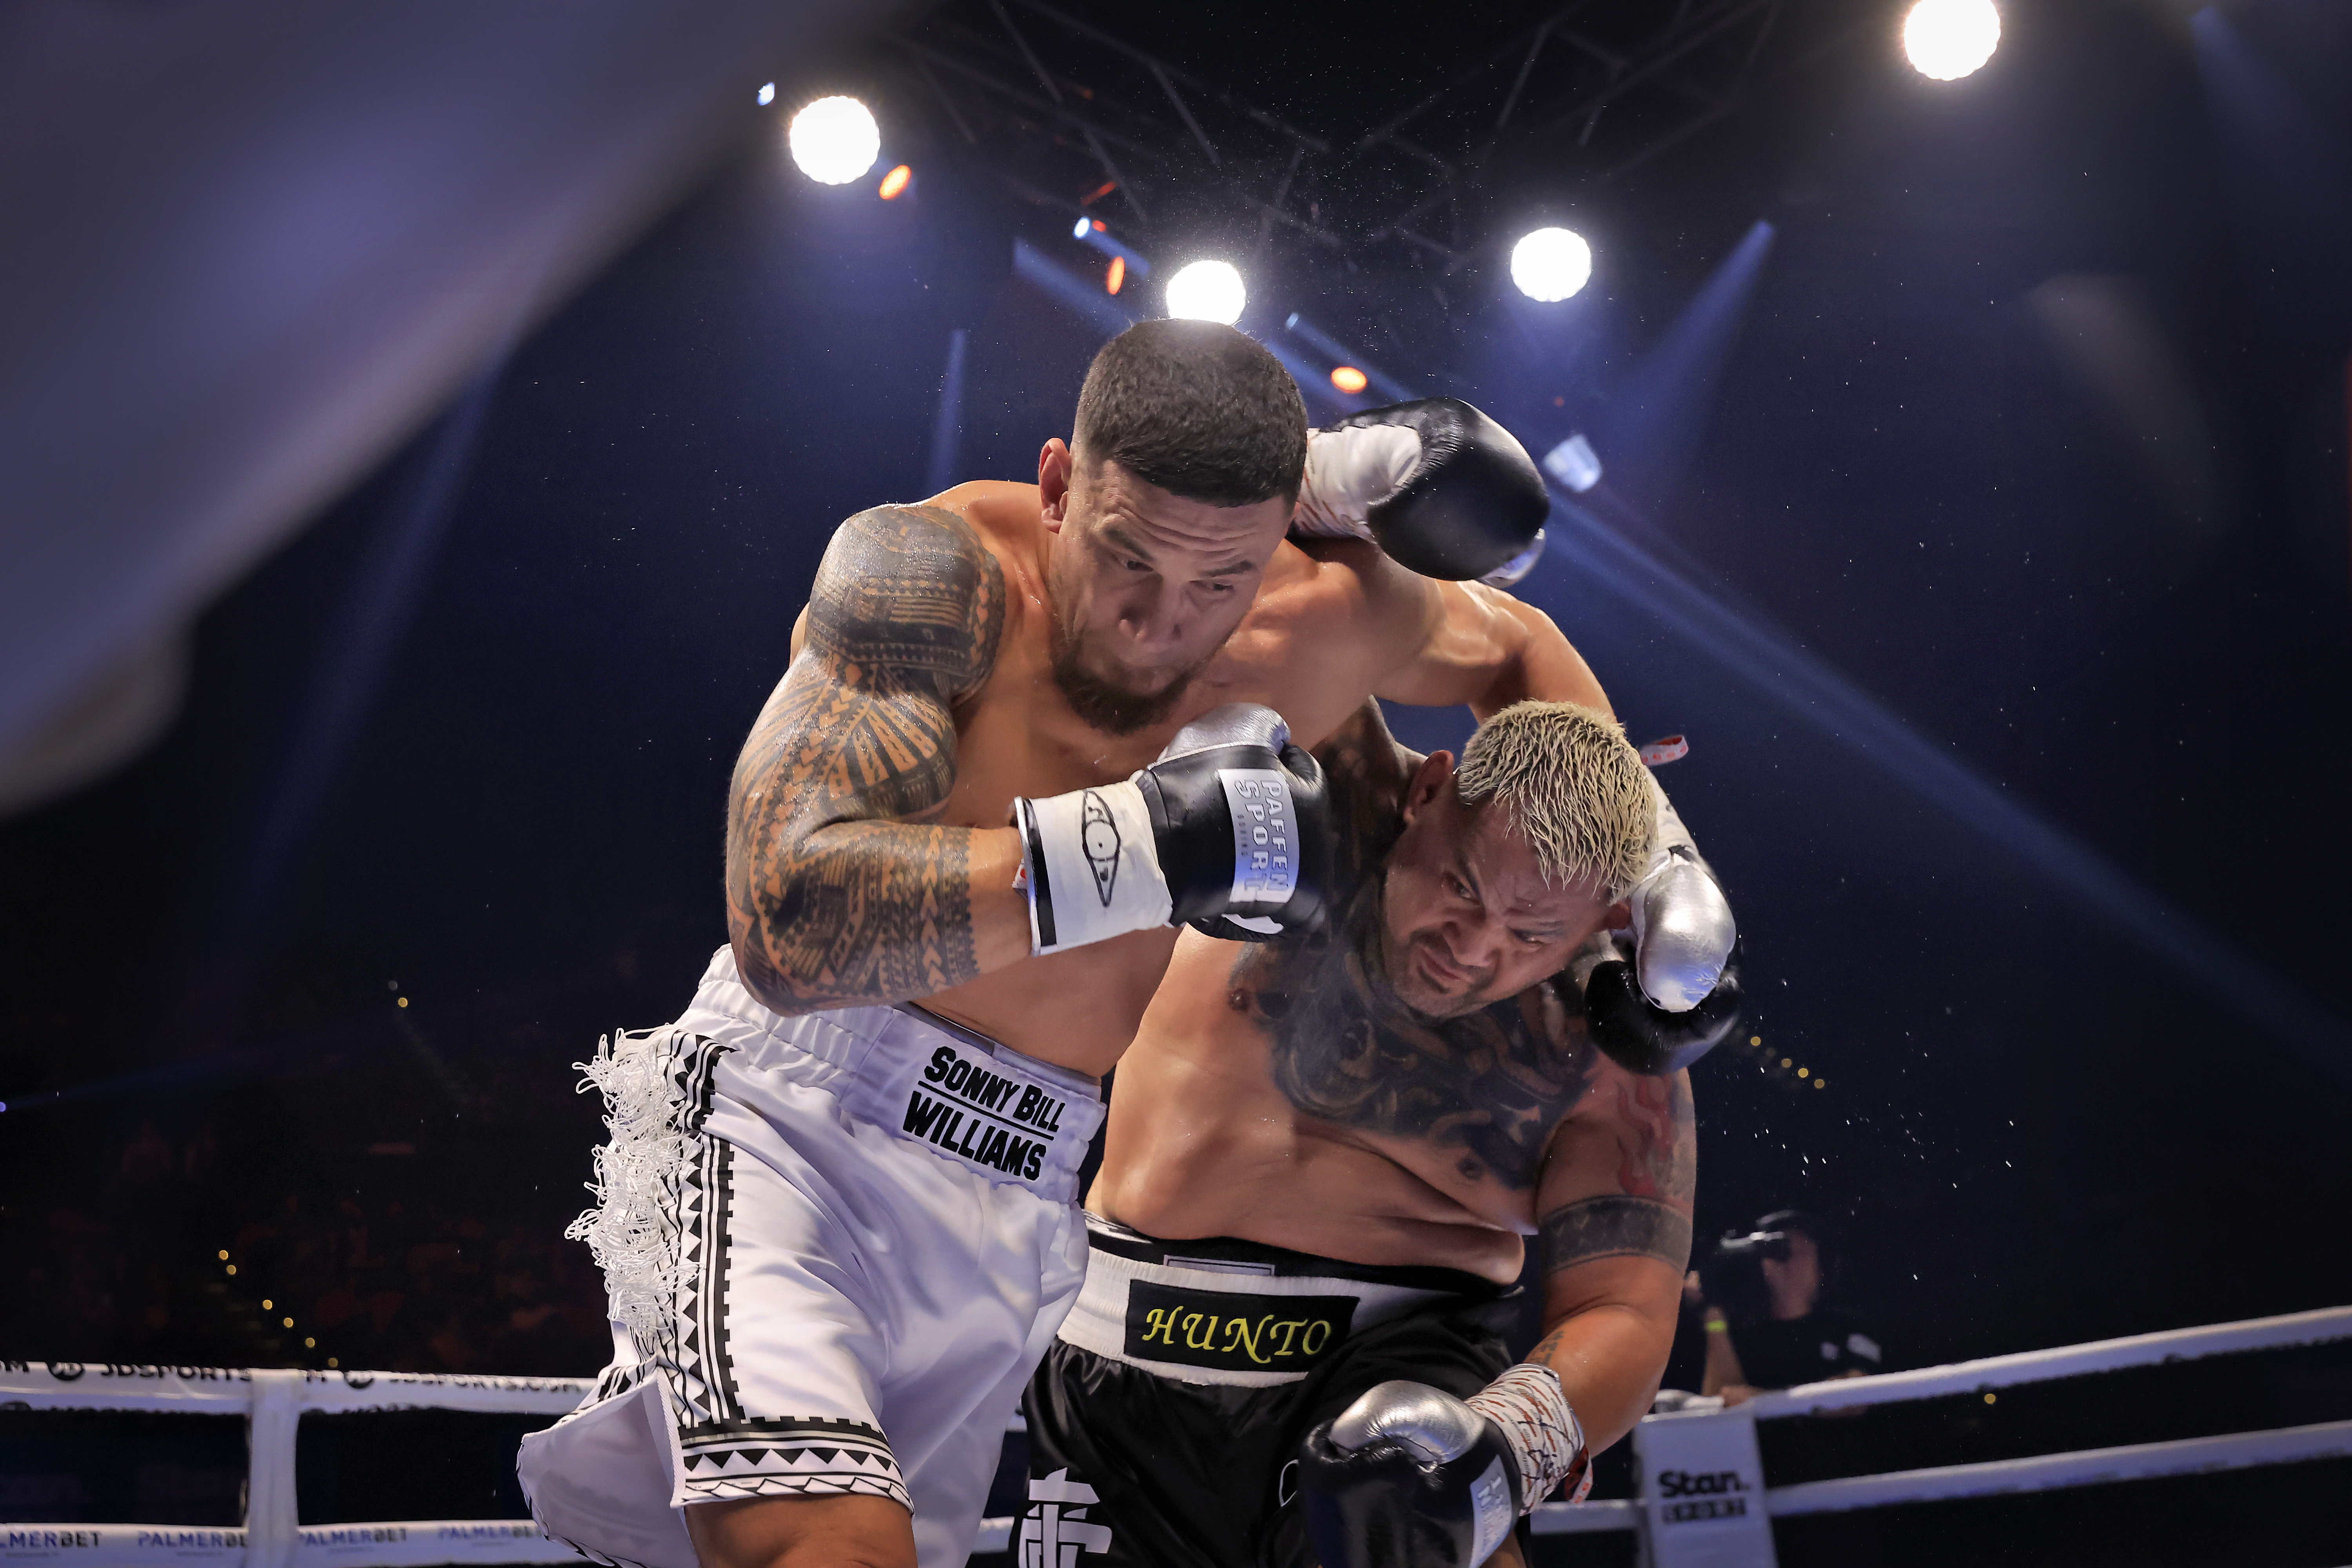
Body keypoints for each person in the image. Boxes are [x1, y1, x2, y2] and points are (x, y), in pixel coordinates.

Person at [517, 318, 1737, 1568]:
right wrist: (1144, 843)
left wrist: (1656, 874)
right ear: (1057, 487)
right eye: (1125, 560)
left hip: (1023, 1188)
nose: (1161, 624)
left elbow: (1514, 644)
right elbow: (787, 925)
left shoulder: (1315, 625)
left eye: (1219, 580)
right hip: (795, 1121)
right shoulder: (929, 574)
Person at [1022, 700, 1740, 1568]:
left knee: (1406, 1510)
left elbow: (1623, 1307)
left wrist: (1507, 1444)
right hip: (1118, 1376)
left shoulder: (1601, 1052)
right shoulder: (1297, 809)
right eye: (1464, 886)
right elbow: (1433, 608)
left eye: (1531, 934)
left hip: (1400, 1374)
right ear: (1429, 788)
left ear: (1607, 923)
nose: (1471, 947)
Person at [1691, 1210, 1883, 1405]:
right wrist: (1713, 1317)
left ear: (1821, 1265)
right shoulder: (1747, 1333)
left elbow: (1855, 1398)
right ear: (1763, 1266)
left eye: (1800, 1252)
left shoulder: (1850, 1326)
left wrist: (1765, 1400)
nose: (1788, 1262)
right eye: (1778, 1252)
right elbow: (1719, 1403)